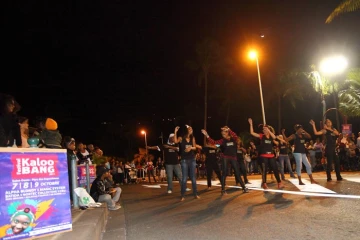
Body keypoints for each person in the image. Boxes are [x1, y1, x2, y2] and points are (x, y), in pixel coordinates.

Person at [202, 126, 249, 195]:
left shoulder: (234, 139)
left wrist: (229, 129)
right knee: (224, 173)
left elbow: (234, 135)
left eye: (224, 133)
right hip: (225, 157)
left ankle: (244, 188)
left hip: (233, 157)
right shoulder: (222, 140)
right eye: (222, 134)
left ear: (227, 133)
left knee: (237, 173)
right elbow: (214, 142)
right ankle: (223, 189)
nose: (223, 135)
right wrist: (207, 135)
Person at [248, 118, 284, 190]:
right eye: (263, 130)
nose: (264, 130)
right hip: (263, 156)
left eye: (265, 129)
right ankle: (264, 183)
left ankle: (279, 183)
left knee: (275, 169)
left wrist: (269, 130)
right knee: (264, 170)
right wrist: (251, 124)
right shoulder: (261, 136)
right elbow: (252, 133)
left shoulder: (271, 136)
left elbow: (274, 137)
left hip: (271, 155)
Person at [174, 125, 199, 201]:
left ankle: (195, 194)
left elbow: (195, 147)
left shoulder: (192, 138)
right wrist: (175, 132)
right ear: (186, 130)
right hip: (184, 160)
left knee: (193, 178)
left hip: (192, 159)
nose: (191, 130)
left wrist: (190, 148)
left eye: (192, 128)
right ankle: (183, 195)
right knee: (184, 178)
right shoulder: (181, 138)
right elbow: (175, 141)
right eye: (189, 128)